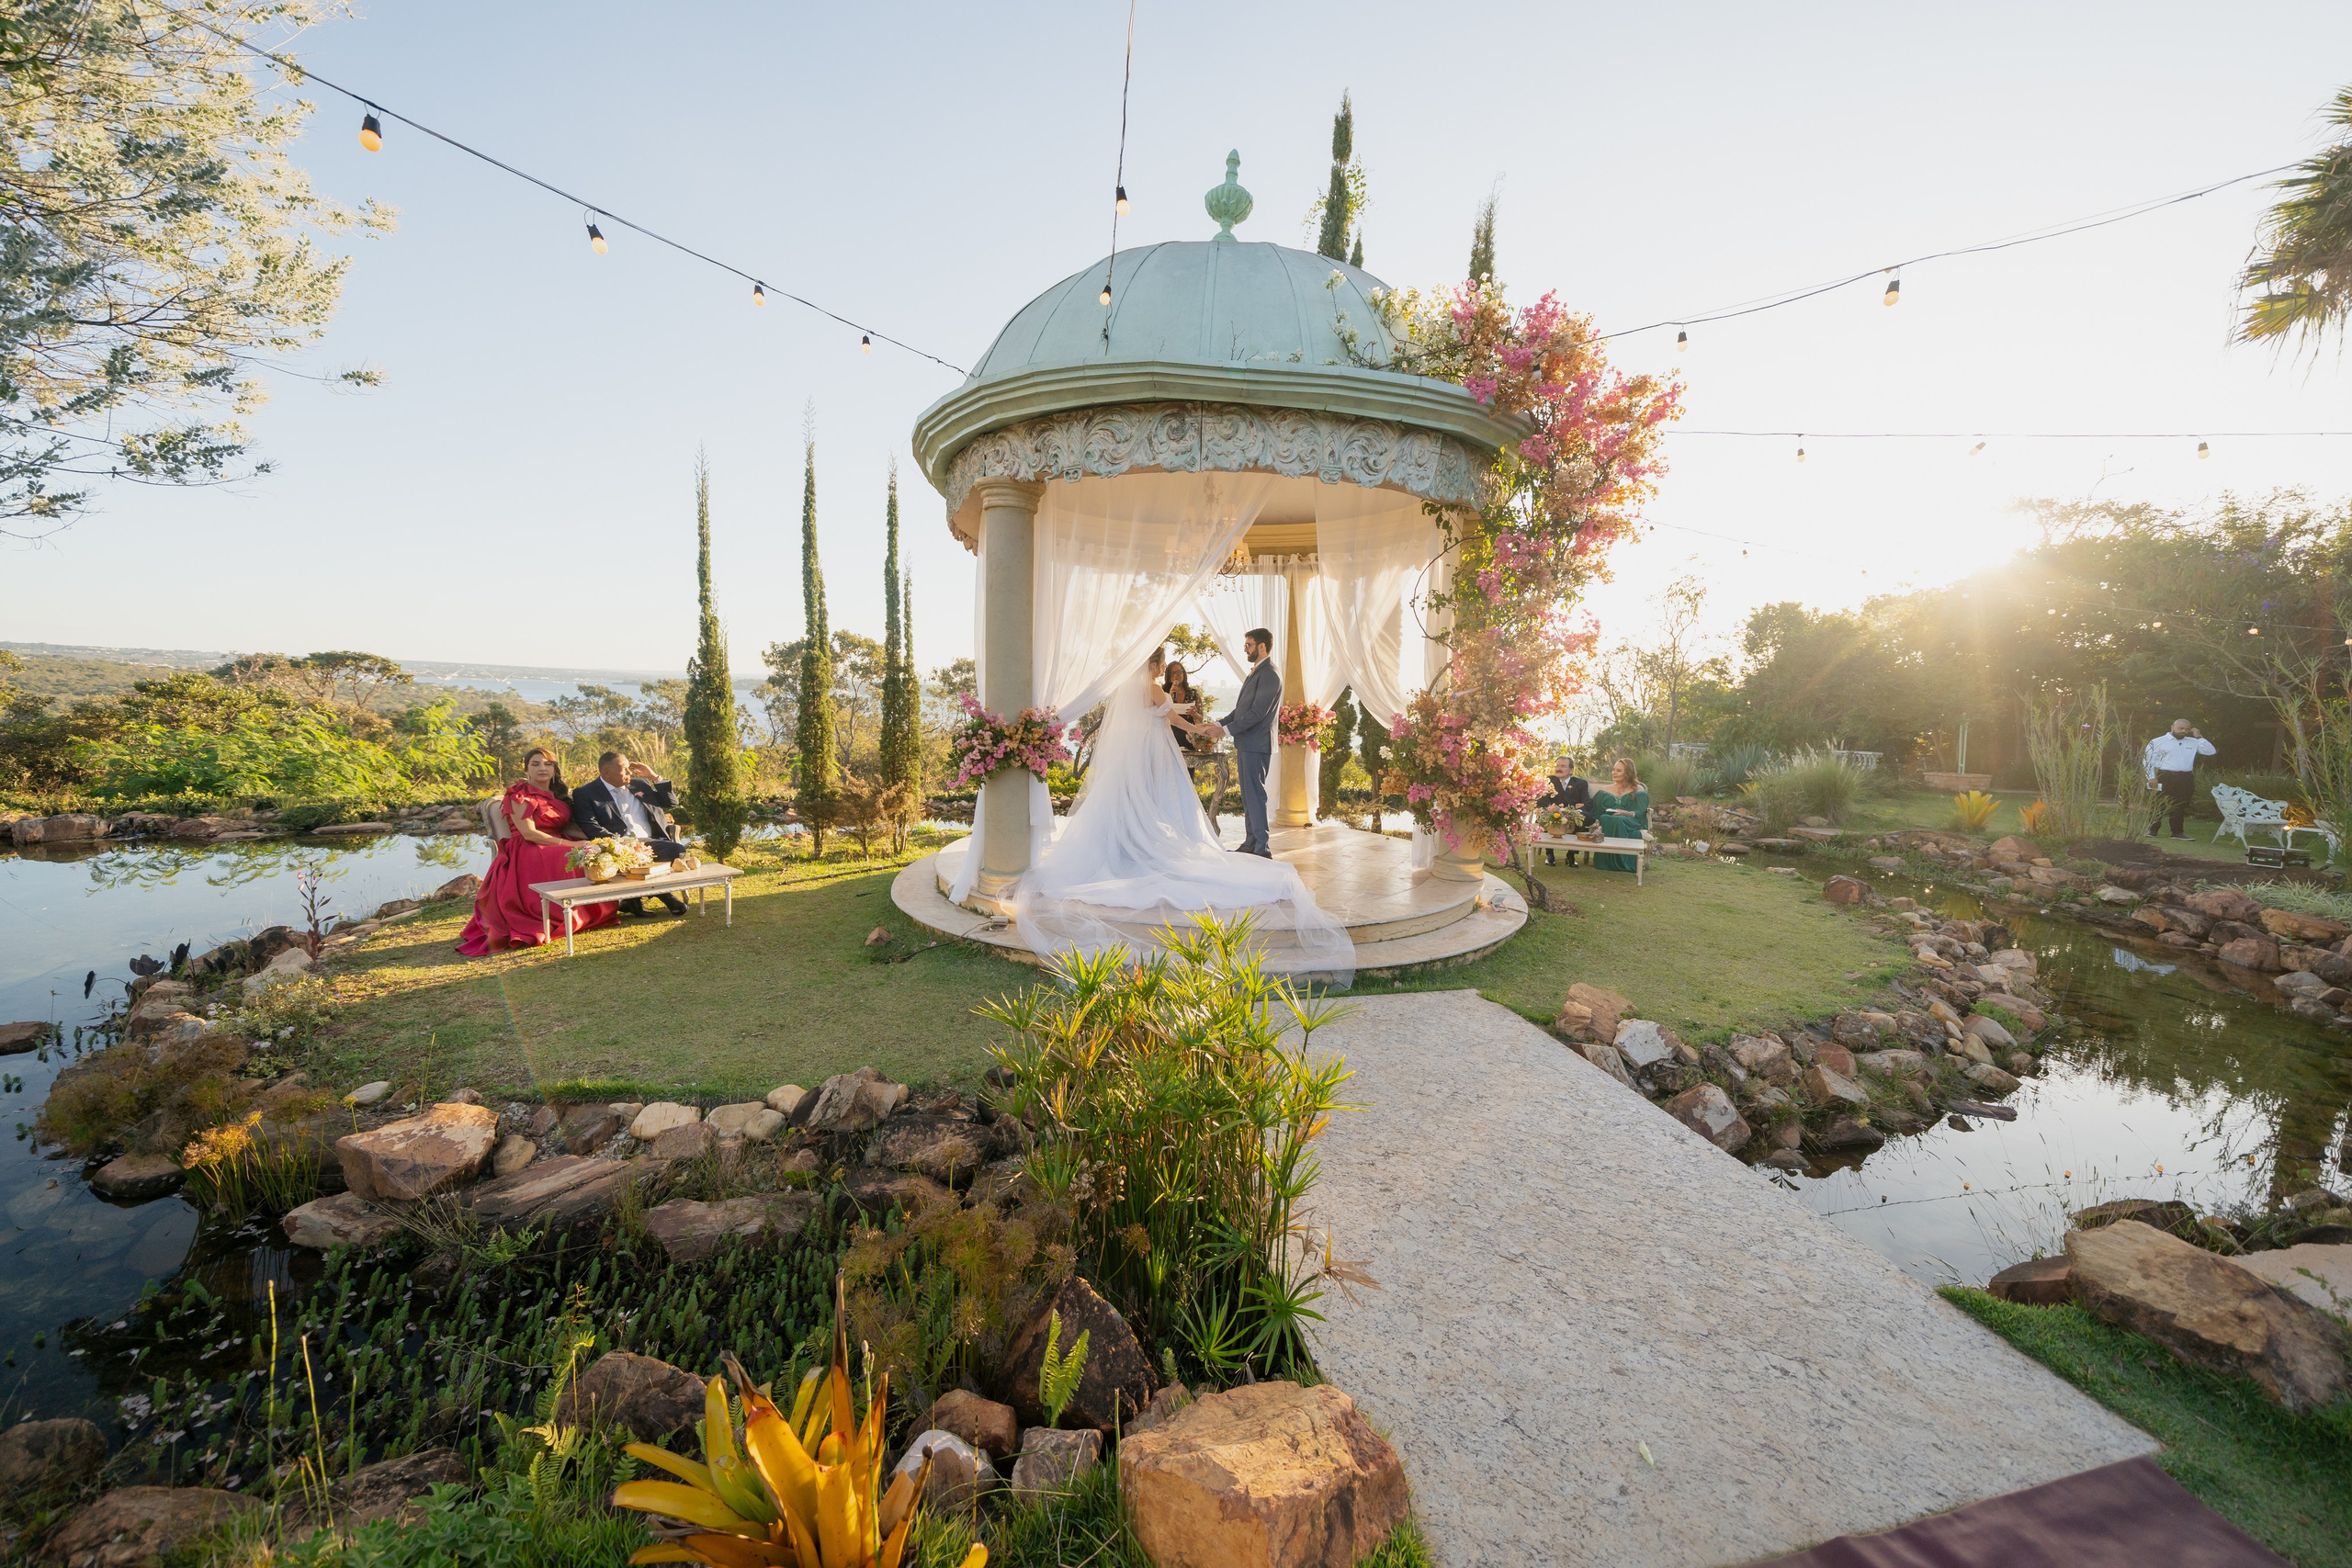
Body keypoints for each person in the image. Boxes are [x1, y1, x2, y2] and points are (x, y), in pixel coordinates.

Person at [1012, 647, 1351, 981]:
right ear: (1153, 664)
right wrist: (1204, 729)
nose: (1164, 669)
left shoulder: (1135, 689)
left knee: (1140, 803)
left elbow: (1163, 716)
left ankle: (1130, 845)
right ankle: (1150, 846)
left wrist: (1202, 723)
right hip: (1157, 752)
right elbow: (1174, 720)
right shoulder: (1153, 688)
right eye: (1161, 663)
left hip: (1140, 753)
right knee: (1162, 802)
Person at [458, 748, 616, 953]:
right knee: (568, 855)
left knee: (591, 852)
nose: (542, 768)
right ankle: (556, 915)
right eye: (536, 764)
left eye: (548, 764)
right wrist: (572, 845)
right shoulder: (518, 795)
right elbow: (529, 834)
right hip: (528, 846)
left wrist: (596, 841)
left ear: (554, 769)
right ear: (527, 769)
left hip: (555, 840)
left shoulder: (558, 796)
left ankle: (590, 911)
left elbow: (565, 828)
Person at [570, 750, 690, 915]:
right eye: (623, 769)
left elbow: (671, 802)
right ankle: (664, 896)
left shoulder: (640, 784)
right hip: (620, 845)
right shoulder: (586, 793)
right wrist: (620, 845)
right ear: (606, 773)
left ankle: (632, 901)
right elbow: (589, 825)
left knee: (677, 850)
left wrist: (654, 777)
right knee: (636, 858)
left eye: (629, 768)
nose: (629, 773)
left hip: (652, 842)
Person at [1216, 627, 1282, 856]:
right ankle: (1251, 842)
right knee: (1248, 796)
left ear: (1262, 646)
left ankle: (1262, 848)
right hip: (1246, 743)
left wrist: (1226, 731)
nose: (1245, 649)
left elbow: (1257, 714)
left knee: (1255, 795)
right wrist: (1218, 725)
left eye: (1249, 644)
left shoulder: (1270, 674)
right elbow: (1241, 710)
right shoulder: (1257, 672)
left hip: (1257, 745)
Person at [2144, 718, 2215, 839]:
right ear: (2172, 727)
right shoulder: (2158, 741)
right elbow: (2148, 760)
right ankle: (2152, 830)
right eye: (2180, 728)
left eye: (2187, 729)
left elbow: (2210, 751)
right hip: (2164, 776)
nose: (2183, 731)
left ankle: (2177, 832)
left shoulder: (2193, 742)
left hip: (2185, 778)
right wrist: (2151, 777)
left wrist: (2199, 737)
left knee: (2180, 805)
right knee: (2158, 803)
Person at [1589, 757, 1650, 874]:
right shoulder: (1605, 790)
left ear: (1628, 773)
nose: (1614, 773)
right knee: (1604, 818)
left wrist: (1625, 812)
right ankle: (1605, 862)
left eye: (1618, 770)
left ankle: (1622, 861)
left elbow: (1641, 812)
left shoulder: (1638, 789)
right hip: (1609, 819)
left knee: (1619, 820)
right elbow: (1597, 810)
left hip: (1631, 820)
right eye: (1613, 770)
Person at [1539, 755, 1594, 865]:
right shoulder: (1549, 781)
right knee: (1546, 815)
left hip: (1572, 816)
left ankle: (1571, 855)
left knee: (1585, 816)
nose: (1559, 768)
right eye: (1557, 766)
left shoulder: (1580, 784)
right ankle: (1549, 854)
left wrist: (1570, 811)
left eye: (1563, 766)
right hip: (1553, 814)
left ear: (1571, 770)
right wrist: (1558, 809)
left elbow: (1587, 804)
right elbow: (1542, 802)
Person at [1163, 660, 1213, 754]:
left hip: (1189, 735)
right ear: (1168, 677)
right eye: (1172, 673)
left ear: (1184, 674)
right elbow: (1160, 714)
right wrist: (1170, 695)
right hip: (1170, 734)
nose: (1176, 675)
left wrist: (1195, 714)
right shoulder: (1163, 693)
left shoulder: (1193, 693)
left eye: (1179, 672)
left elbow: (1201, 719)